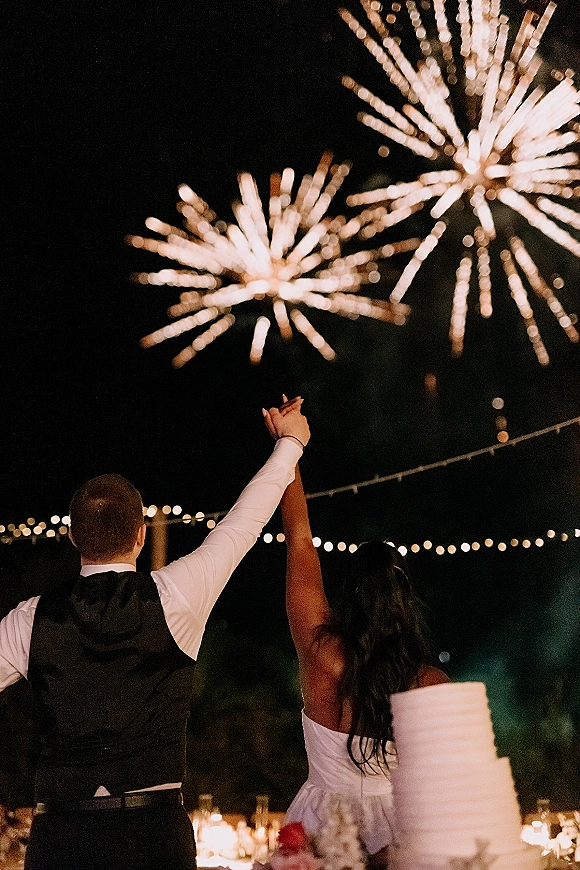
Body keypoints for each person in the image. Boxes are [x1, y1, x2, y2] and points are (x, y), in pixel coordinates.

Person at [0, 398, 309, 870]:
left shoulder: (29, 619)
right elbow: (243, 523)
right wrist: (290, 443)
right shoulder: (176, 595)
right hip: (152, 838)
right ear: (142, 535)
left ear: (73, 538)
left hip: (61, 839)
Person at [263, 405, 448, 867]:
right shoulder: (430, 684)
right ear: (405, 603)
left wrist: (289, 447)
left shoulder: (321, 651)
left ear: (349, 595)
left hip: (320, 819)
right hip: (403, 826)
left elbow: (300, 539)